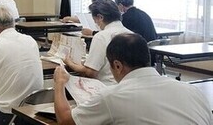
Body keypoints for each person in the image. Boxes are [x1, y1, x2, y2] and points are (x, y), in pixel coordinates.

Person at [54, 33, 213, 125]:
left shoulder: (113, 96)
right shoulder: (193, 91)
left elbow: (65, 121)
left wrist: (59, 84)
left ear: (117, 66)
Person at [63, 0, 132, 85]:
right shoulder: (132, 35)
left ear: (100, 17)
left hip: (105, 88)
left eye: (94, 19)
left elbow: (90, 73)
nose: (95, 23)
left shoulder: (101, 37)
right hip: (128, 88)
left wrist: (70, 63)